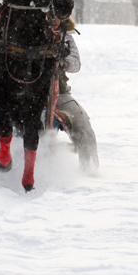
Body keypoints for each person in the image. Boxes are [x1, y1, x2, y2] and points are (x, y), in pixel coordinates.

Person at [50, 17, 99, 170]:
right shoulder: (28, 33)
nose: (53, 19)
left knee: (83, 124)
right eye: (49, 14)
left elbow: (76, 63)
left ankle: (89, 169)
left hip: (60, 93)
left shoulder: (66, 38)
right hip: (27, 94)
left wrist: (63, 61)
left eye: (57, 15)